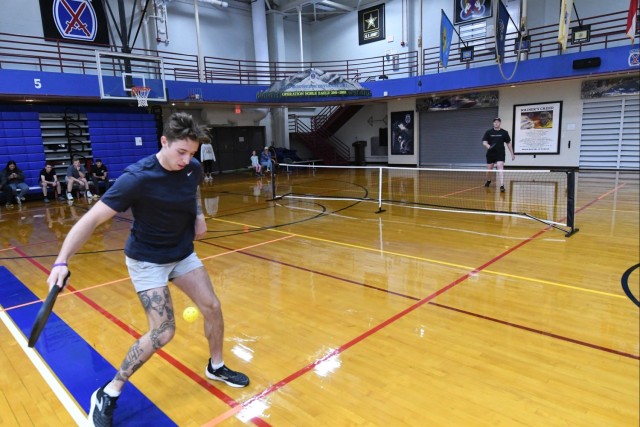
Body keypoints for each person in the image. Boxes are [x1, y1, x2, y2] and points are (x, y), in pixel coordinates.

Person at [46, 112, 249, 427]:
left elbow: (192, 185)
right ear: (164, 141)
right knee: (163, 331)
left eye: (192, 154)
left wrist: (198, 214)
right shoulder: (137, 178)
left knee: (212, 307)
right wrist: (61, 260)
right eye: (181, 152)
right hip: (147, 260)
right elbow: (90, 220)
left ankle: (216, 365)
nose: (186, 160)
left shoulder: (191, 169)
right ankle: (109, 392)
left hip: (181, 254)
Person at [482, 117, 515, 193]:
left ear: (500, 123)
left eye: (498, 122)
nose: (496, 123)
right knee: (489, 170)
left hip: (500, 153)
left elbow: (509, 143)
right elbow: (484, 142)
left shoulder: (504, 132)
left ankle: (502, 185)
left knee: (500, 167)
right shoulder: (488, 132)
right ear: (493, 123)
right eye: (495, 122)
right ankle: (488, 180)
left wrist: (512, 154)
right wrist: (488, 147)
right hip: (491, 153)